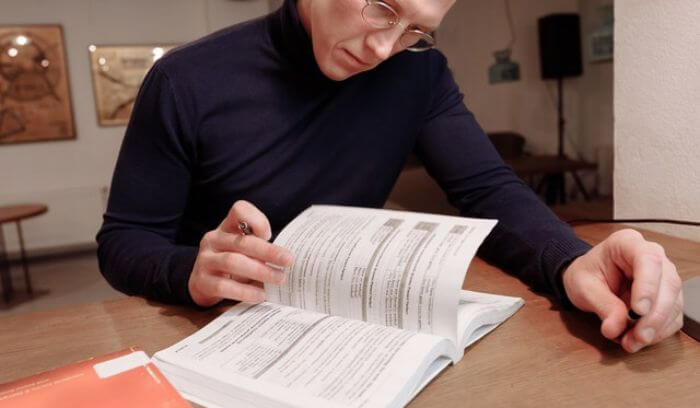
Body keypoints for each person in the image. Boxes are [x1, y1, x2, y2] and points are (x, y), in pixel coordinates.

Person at [97, 0, 683, 354]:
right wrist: (191, 271)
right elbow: (123, 243)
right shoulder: (186, 80)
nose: (383, 47)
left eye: (415, 27)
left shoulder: (417, 72)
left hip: (341, 328)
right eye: (380, 4)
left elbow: (486, 189)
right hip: (208, 332)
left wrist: (571, 259)